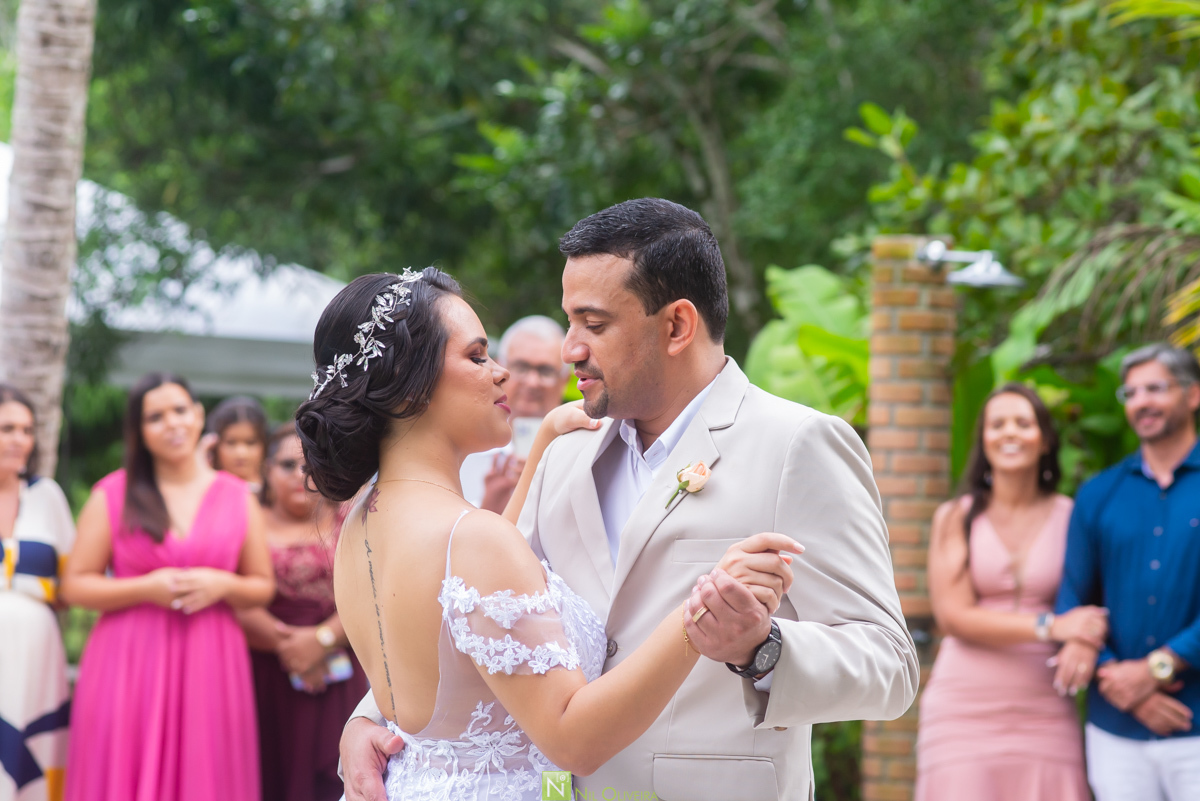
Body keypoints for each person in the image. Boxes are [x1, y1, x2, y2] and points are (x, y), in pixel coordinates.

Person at [341, 199, 919, 801]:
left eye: (593, 324)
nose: (570, 349)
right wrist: (370, 719)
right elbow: (475, 613)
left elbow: (892, 665)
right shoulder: (564, 453)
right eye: (569, 322)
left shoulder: (797, 444)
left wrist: (762, 649)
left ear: (677, 326)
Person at [297, 266, 800, 801]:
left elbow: (449, 645)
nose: (502, 374)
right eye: (476, 357)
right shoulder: (472, 540)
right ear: (407, 385)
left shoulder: (360, 522)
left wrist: (541, 447)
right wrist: (699, 614)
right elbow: (572, 740)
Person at [60, 372, 275, 801]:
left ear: (198, 415)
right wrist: (144, 588)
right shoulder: (113, 494)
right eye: (155, 417)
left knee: (204, 773)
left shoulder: (238, 497)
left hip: (210, 657)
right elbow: (75, 586)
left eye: (179, 410)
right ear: (139, 432)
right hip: (128, 660)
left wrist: (222, 584)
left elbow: (262, 586)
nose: (172, 423)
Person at [916, 383, 1107, 800]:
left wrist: (1084, 638)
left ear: (1045, 439)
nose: (1009, 433)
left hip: (1046, 711)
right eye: (997, 424)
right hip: (962, 711)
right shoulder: (955, 517)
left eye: (1023, 423)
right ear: (983, 440)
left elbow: (1093, 603)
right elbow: (954, 617)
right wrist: (1052, 626)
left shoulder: (1073, 516)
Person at [1054, 343, 1200, 801]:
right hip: (1115, 732)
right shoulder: (1099, 493)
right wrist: (1122, 682)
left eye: (1155, 388)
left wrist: (1157, 669)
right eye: (1131, 393)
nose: (1141, 402)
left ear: (1193, 394)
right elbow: (1072, 600)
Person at [238, 423, 368, 801]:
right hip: (264, 670)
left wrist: (322, 639)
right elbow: (232, 595)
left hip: (339, 664)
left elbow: (372, 591)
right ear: (266, 470)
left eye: (311, 464)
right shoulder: (245, 520)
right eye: (287, 465)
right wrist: (290, 646)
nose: (301, 475)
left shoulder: (353, 517)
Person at [0, 385, 75, 801]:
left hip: (37, 657)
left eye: (27, 430)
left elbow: (72, 582)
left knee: (35, 766)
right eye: (7, 428)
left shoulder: (46, 496)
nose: (20, 440)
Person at [459, 316, 569, 512]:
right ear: (499, 369)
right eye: (521, 367)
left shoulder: (580, 452)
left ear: (564, 380)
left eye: (545, 371)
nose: (533, 382)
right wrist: (490, 508)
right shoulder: (464, 447)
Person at [205, 396, 270, 493]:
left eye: (250, 442)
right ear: (214, 444)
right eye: (231, 442)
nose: (241, 453)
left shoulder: (276, 492)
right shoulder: (203, 490)